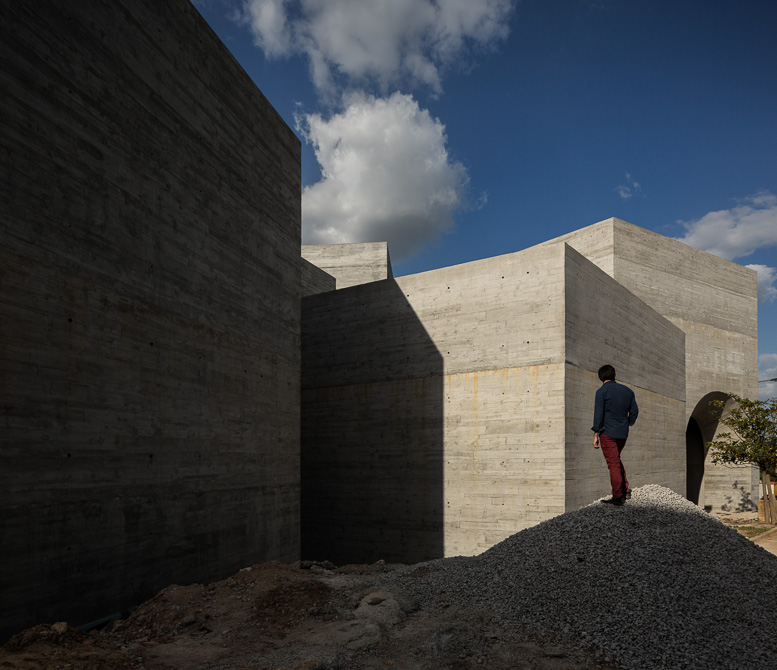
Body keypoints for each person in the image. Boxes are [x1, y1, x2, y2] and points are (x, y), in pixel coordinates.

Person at [592, 364, 639, 506]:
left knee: (613, 463)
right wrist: (628, 423)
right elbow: (634, 411)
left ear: (601, 377)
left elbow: (598, 414)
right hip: (622, 433)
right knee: (616, 459)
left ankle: (618, 496)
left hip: (607, 433)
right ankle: (625, 490)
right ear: (614, 375)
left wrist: (596, 433)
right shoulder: (628, 391)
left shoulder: (602, 391)